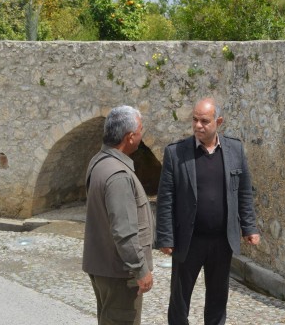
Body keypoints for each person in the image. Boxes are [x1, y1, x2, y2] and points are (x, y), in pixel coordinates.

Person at [155, 97, 260, 325]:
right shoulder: (176, 153)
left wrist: (249, 227)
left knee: (217, 300)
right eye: (194, 120)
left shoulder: (235, 150)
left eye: (204, 121)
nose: (197, 126)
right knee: (179, 302)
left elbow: (243, 192)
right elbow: (165, 199)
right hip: (188, 240)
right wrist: (165, 237)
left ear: (218, 121)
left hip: (222, 242)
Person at [82, 105, 154, 325]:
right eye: (141, 130)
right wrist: (141, 270)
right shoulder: (118, 175)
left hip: (104, 266)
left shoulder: (99, 161)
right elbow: (124, 231)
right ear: (130, 137)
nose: (142, 135)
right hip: (119, 274)